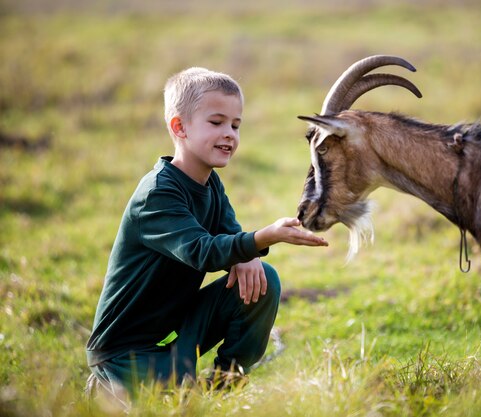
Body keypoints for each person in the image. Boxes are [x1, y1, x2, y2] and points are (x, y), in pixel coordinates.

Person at [85, 67, 328, 406]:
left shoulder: (211, 184)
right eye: (216, 123)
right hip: (123, 351)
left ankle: (224, 386)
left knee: (262, 279)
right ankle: (107, 386)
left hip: (178, 328)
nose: (229, 133)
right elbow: (203, 251)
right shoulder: (157, 195)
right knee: (175, 404)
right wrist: (264, 238)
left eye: (236, 125)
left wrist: (249, 254)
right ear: (179, 127)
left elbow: (231, 234)